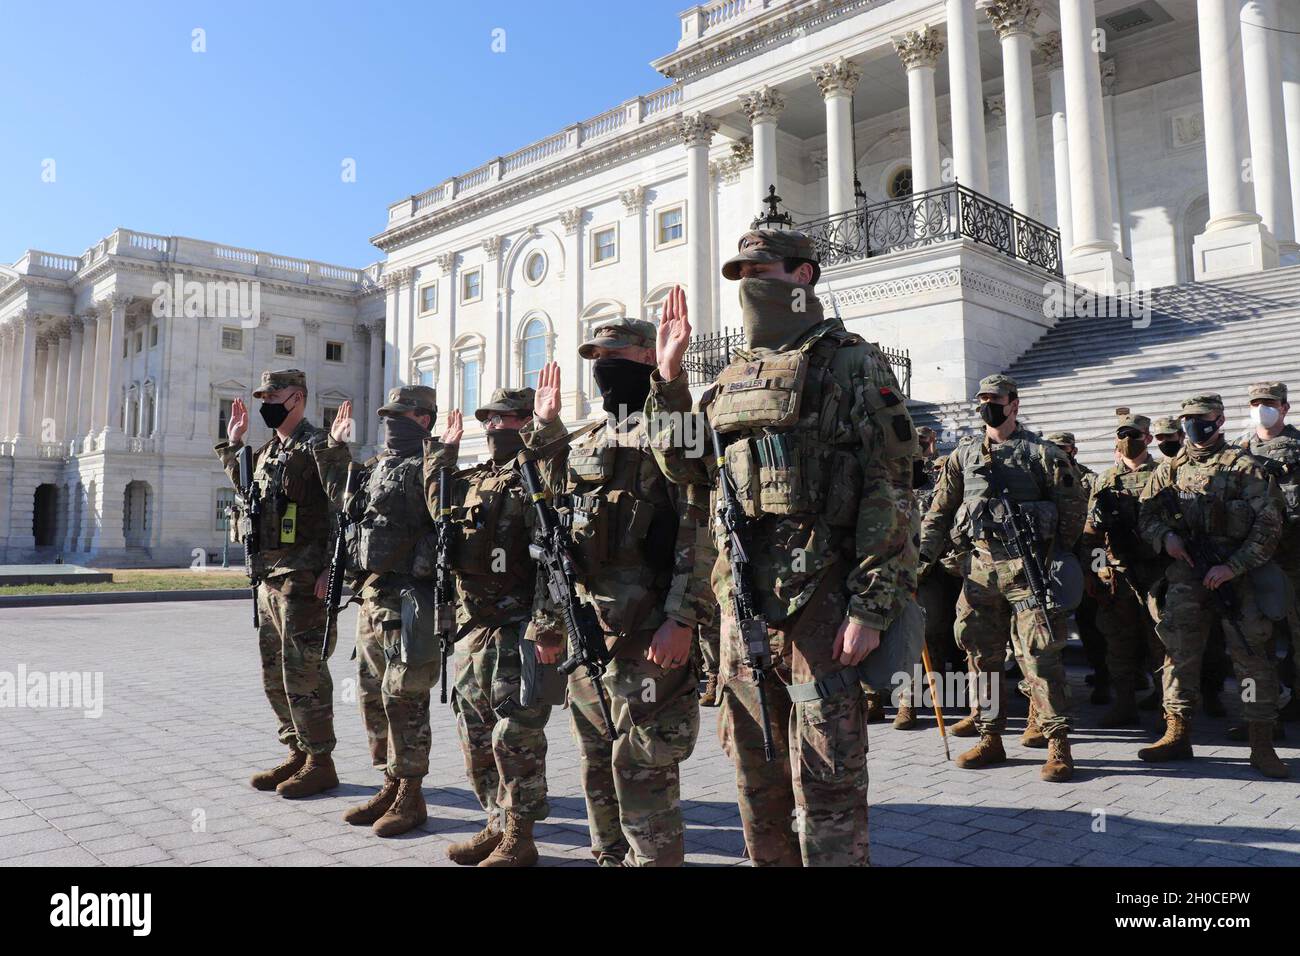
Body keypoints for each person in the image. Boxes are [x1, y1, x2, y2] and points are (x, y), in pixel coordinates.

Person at [649, 223, 915, 866]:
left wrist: (871, 604)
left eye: (762, 271)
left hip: (822, 596)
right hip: (744, 603)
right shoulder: (731, 376)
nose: (749, 284)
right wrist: (668, 377)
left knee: (829, 769)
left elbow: (891, 484)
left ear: (804, 276)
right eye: (741, 274)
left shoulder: (852, 360)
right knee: (752, 765)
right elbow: (687, 469)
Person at [522, 330, 715, 867]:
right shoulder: (584, 442)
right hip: (588, 630)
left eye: (617, 356)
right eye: (597, 358)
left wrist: (682, 619)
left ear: (648, 358)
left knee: (644, 763)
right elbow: (553, 539)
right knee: (595, 758)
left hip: (649, 632)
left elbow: (699, 534)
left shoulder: (673, 435)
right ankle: (609, 857)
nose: (604, 366)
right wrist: (548, 623)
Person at [920, 375, 1085, 781]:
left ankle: (1057, 743)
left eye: (995, 399)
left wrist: (1052, 556)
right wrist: (921, 560)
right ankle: (990, 737)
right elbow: (940, 512)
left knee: (1040, 656)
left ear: (1014, 403)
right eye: (982, 400)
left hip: (1028, 569)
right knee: (980, 656)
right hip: (979, 570)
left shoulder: (1042, 454)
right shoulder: (963, 456)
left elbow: (1072, 512)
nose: (987, 406)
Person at [314, 387, 457, 835]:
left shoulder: (433, 465)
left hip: (411, 600)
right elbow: (343, 495)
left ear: (425, 419)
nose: (391, 422)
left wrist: (442, 454)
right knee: (372, 696)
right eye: (387, 415)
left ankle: (411, 796)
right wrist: (335, 448)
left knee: (404, 698)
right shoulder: (377, 467)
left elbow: (443, 511)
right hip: (373, 597)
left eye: (402, 415)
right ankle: (390, 782)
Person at [430, 388, 563, 867]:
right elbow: (435, 507)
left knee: (516, 734)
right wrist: (441, 451)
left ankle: (521, 836)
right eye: (489, 419)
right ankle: (496, 819)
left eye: (506, 419)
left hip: (523, 625)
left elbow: (555, 545)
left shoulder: (539, 473)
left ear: (526, 422)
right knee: (474, 730)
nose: (493, 427)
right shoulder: (476, 478)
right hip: (476, 627)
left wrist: (547, 428)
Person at [1137, 392, 1289, 778]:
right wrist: (1165, 538)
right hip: (1187, 574)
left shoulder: (1246, 468)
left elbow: (1269, 526)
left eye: (1201, 418)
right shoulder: (1169, 469)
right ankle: (1177, 731)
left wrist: (1234, 567)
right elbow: (1148, 514)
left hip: (1237, 576)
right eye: (1187, 417)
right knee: (1179, 653)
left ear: (1219, 420)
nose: (1192, 424)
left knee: (1251, 657)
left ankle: (1260, 741)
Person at [215, 369, 338, 798]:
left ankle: (321, 760)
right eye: (263, 395)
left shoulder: (322, 446)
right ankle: (297, 751)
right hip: (270, 577)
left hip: (305, 578)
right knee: (275, 673)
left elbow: (344, 509)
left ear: (297, 398)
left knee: (303, 671)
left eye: (274, 395)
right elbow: (251, 494)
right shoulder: (266, 451)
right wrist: (234, 445)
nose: (266, 402)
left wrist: (331, 568)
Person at [1079, 411, 1165, 727]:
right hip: (1118, 576)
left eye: (1135, 434)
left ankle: (1166, 710)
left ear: (1149, 438)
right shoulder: (1105, 479)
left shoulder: (1165, 473)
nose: (1128, 440)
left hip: (1157, 573)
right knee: (1118, 643)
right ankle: (1124, 704)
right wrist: (1098, 573)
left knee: (1161, 643)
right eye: (1123, 434)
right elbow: (1093, 533)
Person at [1231, 381, 1300, 734]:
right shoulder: (1238, 449)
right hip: (1254, 561)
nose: (1262, 408)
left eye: (1270, 402)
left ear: (1285, 408)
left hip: (1294, 558)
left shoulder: (1298, 446)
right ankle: (1261, 714)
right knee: (1256, 641)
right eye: (1256, 402)